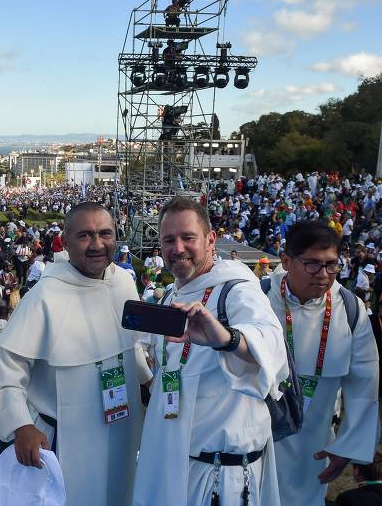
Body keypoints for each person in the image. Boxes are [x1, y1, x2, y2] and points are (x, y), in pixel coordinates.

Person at [132, 196, 288, 506]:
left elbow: (270, 342)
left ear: (210, 239)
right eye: (169, 240)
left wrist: (227, 339)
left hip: (219, 475)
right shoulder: (171, 296)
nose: (178, 248)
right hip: (173, 463)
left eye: (188, 237)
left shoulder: (236, 288)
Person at [0, 202, 150, 505]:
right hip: (68, 439)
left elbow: (129, 344)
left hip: (121, 425)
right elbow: (9, 367)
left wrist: (149, 380)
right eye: (85, 235)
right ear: (65, 241)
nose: (97, 244)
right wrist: (20, 424)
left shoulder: (123, 281)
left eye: (105, 234)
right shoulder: (44, 295)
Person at [267, 220, 379, 505]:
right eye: (313, 264)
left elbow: (365, 384)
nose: (324, 274)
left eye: (331, 264)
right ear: (286, 261)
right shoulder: (258, 298)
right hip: (256, 439)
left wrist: (348, 446)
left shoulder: (350, 309)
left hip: (312, 444)